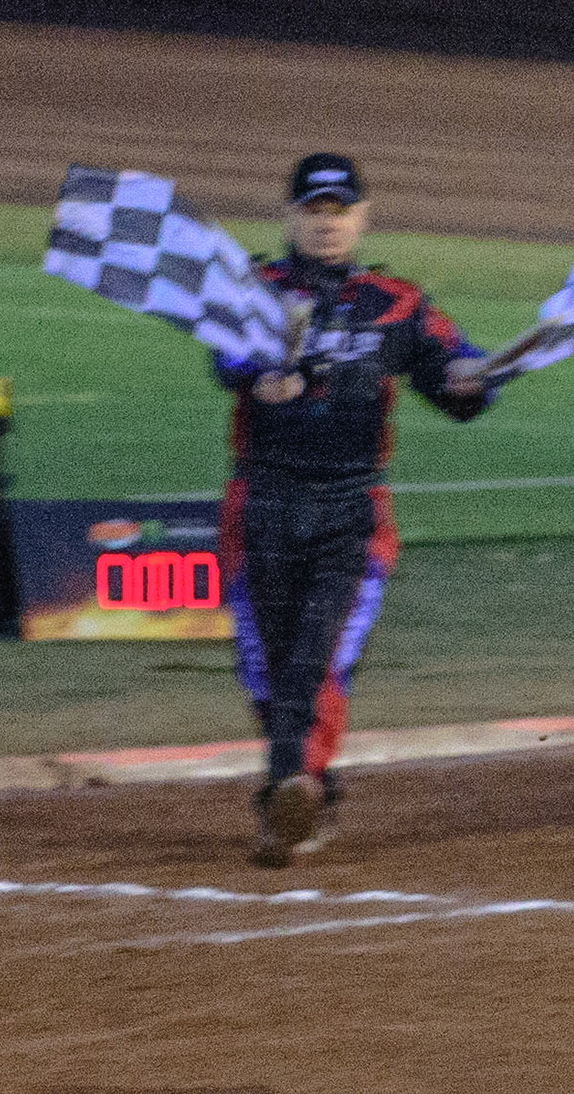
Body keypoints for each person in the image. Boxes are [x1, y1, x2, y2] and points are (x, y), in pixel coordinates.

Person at [215, 154, 491, 867]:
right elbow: (227, 359)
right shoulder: (253, 289)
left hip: (353, 508)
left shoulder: (396, 303)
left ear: (362, 217)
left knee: (319, 654)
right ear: (290, 216)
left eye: (339, 210)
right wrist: (261, 379)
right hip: (262, 501)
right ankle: (307, 789)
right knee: (266, 664)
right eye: (313, 210)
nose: (326, 224)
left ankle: (288, 789)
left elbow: (455, 375)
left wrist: (471, 378)